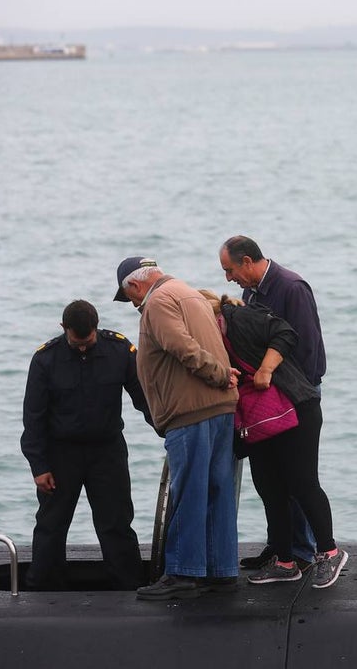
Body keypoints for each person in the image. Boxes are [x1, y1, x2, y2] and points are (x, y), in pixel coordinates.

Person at [200, 291, 349, 589]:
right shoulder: (213, 341)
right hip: (260, 418)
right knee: (269, 487)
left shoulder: (240, 318)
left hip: (296, 407)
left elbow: (284, 332)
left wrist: (266, 369)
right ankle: (284, 561)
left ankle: (329, 552)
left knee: (302, 482)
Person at [113, 257, 241, 600]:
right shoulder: (187, 291)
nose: (134, 305)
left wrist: (217, 374)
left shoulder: (156, 302)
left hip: (190, 410)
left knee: (188, 492)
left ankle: (183, 572)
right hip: (219, 408)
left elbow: (180, 346)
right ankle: (221, 570)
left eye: (130, 298)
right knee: (217, 491)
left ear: (135, 285)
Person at [21, 300, 149, 591]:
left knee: (116, 521)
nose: (82, 347)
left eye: (88, 341)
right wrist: (39, 466)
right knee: (52, 523)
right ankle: (43, 587)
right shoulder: (45, 359)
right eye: (76, 342)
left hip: (107, 450)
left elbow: (144, 397)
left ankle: (128, 584)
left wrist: (168, 429)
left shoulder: (119, 350)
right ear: (63, 328)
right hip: (60, 453)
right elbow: (33, 418)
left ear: (96, 327)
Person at [219, 235, 323, 570]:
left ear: (247, 262)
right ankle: (280, 547)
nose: (228, 278)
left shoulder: (291, 287)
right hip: (268, 396)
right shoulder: (251, 292)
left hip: (294, 393)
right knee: (272, 480)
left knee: (297, 477)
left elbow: (305, 345)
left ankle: (303, 550)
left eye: (230, 269)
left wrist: (290, 391)